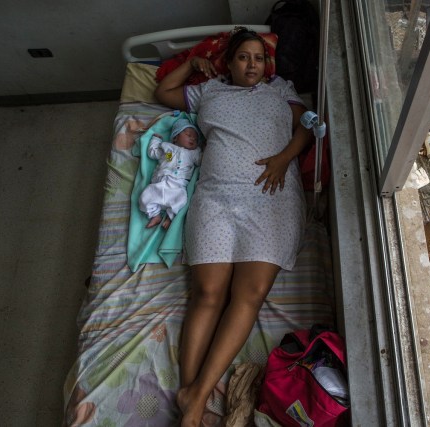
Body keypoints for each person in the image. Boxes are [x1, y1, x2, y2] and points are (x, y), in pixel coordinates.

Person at [154, 26, 313, 426]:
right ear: (228, 63)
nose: (253, 65)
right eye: (243, 57)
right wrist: (191, 63)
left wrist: (282, 159)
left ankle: (194, 397)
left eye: (259, 58)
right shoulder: (208, 91)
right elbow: (162, 93)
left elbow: (306, 128)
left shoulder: (282, 90)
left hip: (270, 195)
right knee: (208, 293)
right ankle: (193, 395)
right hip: (217, 196)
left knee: (249, 294)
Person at [138, 118, 203, 229]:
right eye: (188, 134)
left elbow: (201, 160)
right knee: (145, 197)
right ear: (175, 137)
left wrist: (204, 148)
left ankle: (170, 217)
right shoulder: (167, 147)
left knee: (182, 199)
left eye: (196, 139)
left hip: (178, 185)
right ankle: (155, 215)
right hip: (160, 182)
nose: (193, 138)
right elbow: (153, 153)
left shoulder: (193, 153)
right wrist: (156, 140)